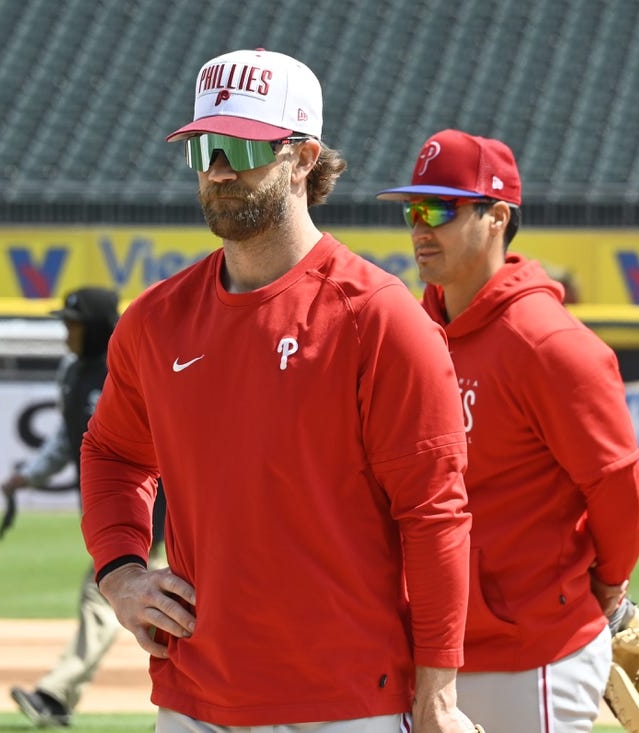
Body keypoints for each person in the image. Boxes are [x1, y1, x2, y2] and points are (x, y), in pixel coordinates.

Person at [78, 49, 480, 733]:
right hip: (194, 698)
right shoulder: (154, 320)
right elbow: (113, 453)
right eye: (202, 147)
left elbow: (434, 515)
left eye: (240, 146)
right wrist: (119, 570)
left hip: (351, 701)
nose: (218, 169)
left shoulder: (380, 319)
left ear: (302, 157)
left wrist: (438, 691)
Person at [377, 128, 639, 732]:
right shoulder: (409, 335)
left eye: (439, 208)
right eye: (412, 210)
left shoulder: (550, 345)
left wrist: (607, 587)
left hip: (532, 656)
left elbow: (617, 487)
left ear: (498, 216)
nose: (420, 228)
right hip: (427, 651)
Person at [0, 286, 166, 728]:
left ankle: (57, 694)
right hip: (115, 514)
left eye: (72, 325)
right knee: (167, 607)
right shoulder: (72, 373)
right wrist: (29, 475)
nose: (65, 333)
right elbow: (67, 436)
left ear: (93, 329)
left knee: (108, 596)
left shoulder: (131, 360)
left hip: (159, 511)